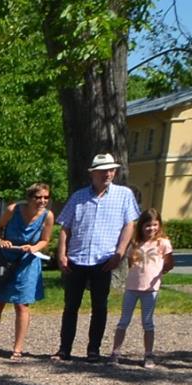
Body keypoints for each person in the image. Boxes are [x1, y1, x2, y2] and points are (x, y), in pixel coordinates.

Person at [54, 153, 141, 363]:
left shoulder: (124, 195)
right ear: (93, 174)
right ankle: (64, 348)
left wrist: (120, 252)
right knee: (71, 306)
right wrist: (61, 254)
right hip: (77, 258)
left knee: (99, 306)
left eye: (111, 170)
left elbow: (130, 224)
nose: (108, 174)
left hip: (104, 259)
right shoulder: (79, 196)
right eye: (103, 171)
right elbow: (65, 227)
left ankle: (93, 349)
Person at [0, 184, 52, 360]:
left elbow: (45, 240)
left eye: (46, 197)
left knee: (22, 305)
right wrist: (1, 240)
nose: (42, 201)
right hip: (5, 259)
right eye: (38, 197)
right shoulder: (13, 210)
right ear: (29, 198)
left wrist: (34, 247)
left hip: (28, 262)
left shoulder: (47, 216)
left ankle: (17, 349)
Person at [109, 210, 174, 367]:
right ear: (141, 226)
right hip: (132, 287)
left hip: (151, 290)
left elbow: (170, 262)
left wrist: (161, 271)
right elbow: (131, 262)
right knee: (123, 321)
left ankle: (148, 354)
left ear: (159, 225)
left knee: (148, 322)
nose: (151, 228)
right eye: (147, 225)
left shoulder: (163, 243)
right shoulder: (135, 243)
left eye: (154, 225)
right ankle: (115, 352)